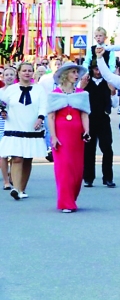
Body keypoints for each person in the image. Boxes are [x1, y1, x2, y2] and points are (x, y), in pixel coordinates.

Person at [46, 63, 91, 213]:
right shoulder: (55, 94)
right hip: (61, 135)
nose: (76, 75)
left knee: (77, 170)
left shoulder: (82, 94)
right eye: (73, 72)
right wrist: (53, 137)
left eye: (77, 72)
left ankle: (72, 197)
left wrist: (87, 131)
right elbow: (51, 117)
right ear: (65, 74)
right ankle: (66, 202)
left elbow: (84, 114)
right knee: (63, 169)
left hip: (77, 136)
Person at [0, 62, 48, 199]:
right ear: (18, 73)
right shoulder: (10, 89)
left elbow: (43, 106)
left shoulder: (39, 89)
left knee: (27, 158)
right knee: (16, 158)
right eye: (24, 70)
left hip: (32, 127)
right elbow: (3, 105)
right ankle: (15, 188)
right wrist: (3, 112)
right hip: (14, 126)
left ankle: (21, 188)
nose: (27, 73)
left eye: (29, 70)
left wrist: (40, 118)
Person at [0, 64, 15, 190]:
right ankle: (6, 181)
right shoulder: (0, 92)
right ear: (3, 77)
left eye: (11, 74)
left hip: (15, 123)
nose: (9, 77)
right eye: (7, 75)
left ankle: (13, 176)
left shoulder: (19, 91)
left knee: (15, 154)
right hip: (2, 125)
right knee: (3, 154)